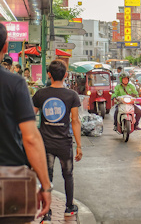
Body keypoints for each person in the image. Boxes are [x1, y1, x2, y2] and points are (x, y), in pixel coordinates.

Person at [0, 22, 52, 220]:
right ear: (5, 46)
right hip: (8, 183)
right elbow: (30, 138)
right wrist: (45, 185)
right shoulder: (14, 83)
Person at [32, 59, 83, 222]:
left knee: (47, 176)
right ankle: (69, 208)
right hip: (64, 143)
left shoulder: (40, 94)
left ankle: (46, 214)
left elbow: (30, 115)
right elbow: (75, 121)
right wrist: (79, 146)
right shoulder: (72, 95)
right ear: (65, 75)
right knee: (68, 174)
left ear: (49, 75)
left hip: (45, 144)